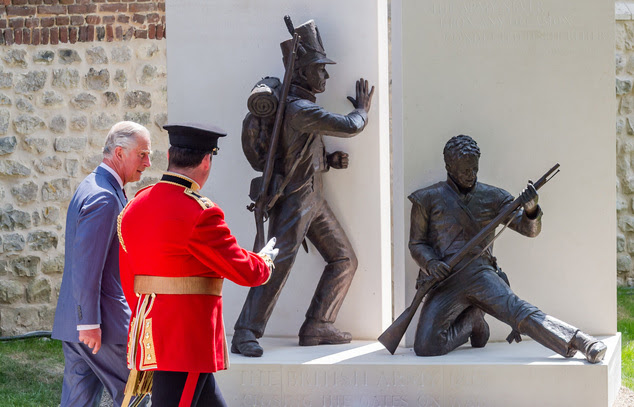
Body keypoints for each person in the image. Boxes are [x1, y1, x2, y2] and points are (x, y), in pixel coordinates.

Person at [232, 19, 375, 357]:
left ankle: (318, 324)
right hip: (294, 201)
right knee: (275, 265)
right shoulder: (299, 109)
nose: (325, 77)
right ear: (303, 72)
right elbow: (349, 125)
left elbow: (297, 152)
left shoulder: (297, 108)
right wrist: (362, 111)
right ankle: (244, 332)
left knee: (344, 259)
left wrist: (327, 161)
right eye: (320, 70)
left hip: (312, 197)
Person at [408, 134, 606, 363]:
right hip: (446, 280)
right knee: (425, 346)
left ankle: (580, 340)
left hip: (481, 274)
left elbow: (529, 230)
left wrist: (531, 209)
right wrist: (431, 263)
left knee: (518, 311)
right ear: (449, 166)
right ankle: (472, 321)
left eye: (474, 168)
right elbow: (417, 244)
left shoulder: (494, 196)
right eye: (464, 170)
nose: (471, 174)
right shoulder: (426, 199)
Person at [118, 123, 277, 406]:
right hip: (187, 339)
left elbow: (130, 277)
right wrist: (264, 261)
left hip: (152, 332)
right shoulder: (199, 211)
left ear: (169, 155)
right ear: (206, 160)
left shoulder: (135, 205)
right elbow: (244, 270)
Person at [52, 121, 152, 406]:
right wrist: (89, 323)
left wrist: (83, 323)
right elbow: (86, 265)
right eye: (142, 154)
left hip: (79, 323)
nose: (147, 162)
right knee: (138, 396)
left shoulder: (94, 186)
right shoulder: (104, 197)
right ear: (119, 153)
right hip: (102, 327)